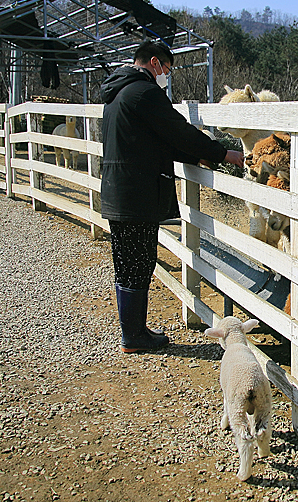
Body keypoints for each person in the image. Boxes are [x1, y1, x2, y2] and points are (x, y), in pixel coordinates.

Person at [100, 41, 245, 353]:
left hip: (117, 192)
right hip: (137, 195)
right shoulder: (144, 92)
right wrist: (223, 152)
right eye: (166, 69)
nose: (166, 75)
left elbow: (156, 141)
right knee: (139, 261)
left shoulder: (117, 95)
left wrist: (199, 157)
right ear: (154, 62)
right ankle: (135, 336)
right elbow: (178, 131)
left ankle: (133, 331)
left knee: (126, 263)